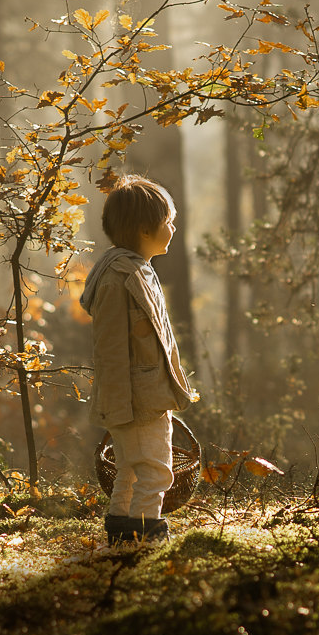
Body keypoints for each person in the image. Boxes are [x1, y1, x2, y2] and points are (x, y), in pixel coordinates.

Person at [77, 174, 198, 544]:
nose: (173, 228)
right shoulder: (118, 279)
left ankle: (120, 532)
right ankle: (147, 537)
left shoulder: (137, 269)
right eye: (168, 222)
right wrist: (118, 404)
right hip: (136, 399)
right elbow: (110, 349)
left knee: (129, 468)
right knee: (156, 472)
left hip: (146, 393)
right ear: (145, 229)